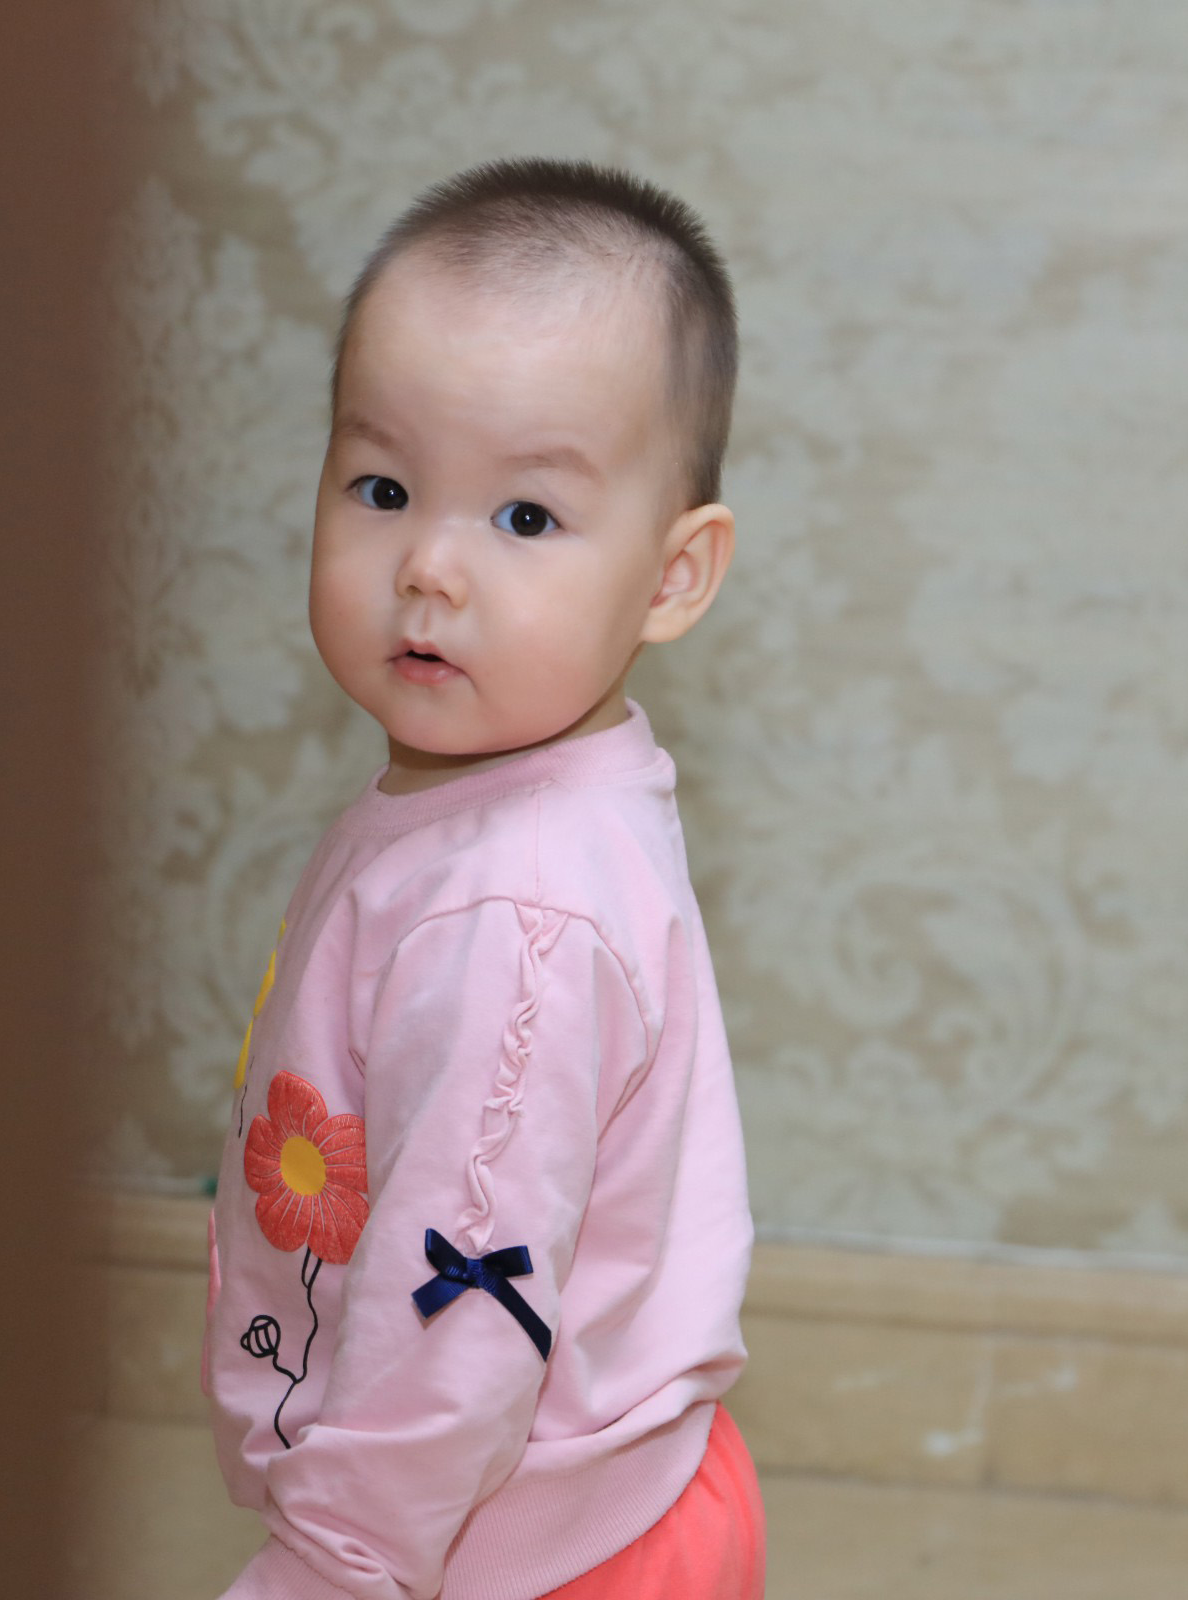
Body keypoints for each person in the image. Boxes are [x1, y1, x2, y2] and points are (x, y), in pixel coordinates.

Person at [204, 158, 764, 1600]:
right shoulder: (516, 805)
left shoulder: (509, 913)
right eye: (384, 489)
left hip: (520, 1549)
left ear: (673, 576)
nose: (429, 568)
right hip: (567, 1503)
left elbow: (458, 1316)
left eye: (524, 518)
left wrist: (333, 1569)